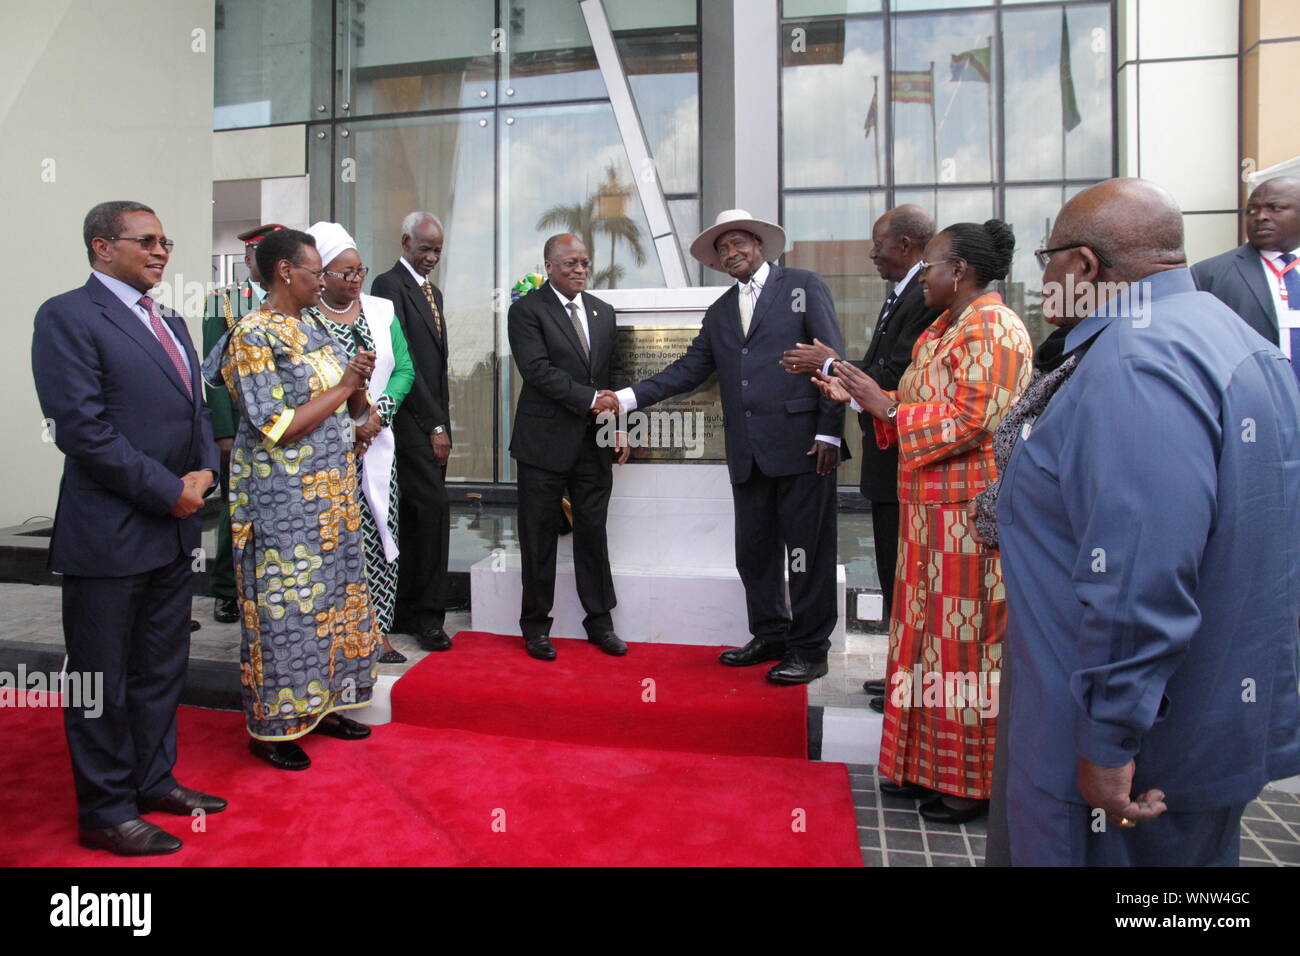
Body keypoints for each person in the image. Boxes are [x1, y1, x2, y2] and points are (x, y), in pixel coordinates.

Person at [991, 178, 1300, 866]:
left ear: (1084, 266)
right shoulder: (1234, 338)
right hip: (1209, 724)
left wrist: (1108, 743)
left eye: (1047, 260)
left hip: (1120, 753)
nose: (1041, 281)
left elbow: (1139, 581)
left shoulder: (1134, 363)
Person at [813, 219, 1033, 821]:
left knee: (966, 652)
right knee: (918, 647)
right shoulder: (943, 325)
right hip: (925, 516)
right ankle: (918, 765)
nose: (924, 276)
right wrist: (861, 398)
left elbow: (973, 419)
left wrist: (885, 405)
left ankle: (969, 780)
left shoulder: (994, 325)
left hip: (968, 520)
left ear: (958, 270)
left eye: (932, 266)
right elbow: (912, 405)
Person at [32, 200, 226, 856]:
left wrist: (202, 475)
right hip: (111, 533)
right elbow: (80, 428)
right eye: (145, 240)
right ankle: (105, 808)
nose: (161, 251)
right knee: (102, 679)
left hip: (174, 532)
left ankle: (152, 780)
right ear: (100, 247)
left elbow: (198, 410)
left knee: (159, 669)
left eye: (165, 241)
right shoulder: (66, 316)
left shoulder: (170, 320)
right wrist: (164, 490)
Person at [606, 210, 846, 685]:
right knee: (754, 554)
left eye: (738, 243)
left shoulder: (802, 285)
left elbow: (832, 361)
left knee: (807, 553)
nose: (731, 253)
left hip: (804, 449)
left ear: (758, 244)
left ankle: (810, 649)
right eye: (722, 249)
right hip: (748, 454)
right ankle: (771, 634)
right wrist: (626, 399)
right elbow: (686, 371)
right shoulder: (719, 312)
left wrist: (830, 433)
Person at [204, 228, 382, 771]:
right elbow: (278, 426)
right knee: (286, 615)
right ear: (286, 272)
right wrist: (344, 384)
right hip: (283, 504)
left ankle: (323, 706)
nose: (323, 281)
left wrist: (360, 397)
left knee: (331, 604)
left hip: (330, 500)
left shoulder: (313, 328)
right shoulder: (254, 335)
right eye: (315, 272)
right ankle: (275, 729)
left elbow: (348, 410)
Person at [780, 205, 941, 702]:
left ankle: (910, 683)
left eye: (879, 243)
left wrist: (830, 362)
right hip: (885, 463)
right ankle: (901, 674)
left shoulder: (925, 297)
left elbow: (894, 378)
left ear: (908, 245)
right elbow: (877, 370)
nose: (872, 253)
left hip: (906, 460)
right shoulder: (903, 293)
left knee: (908, 579)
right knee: (896, 577)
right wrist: (845, 386)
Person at [508, 233, 630, 661]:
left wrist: (617, 425)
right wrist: (590, 399)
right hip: (543, 444)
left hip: (594, 445)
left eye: (584, 263)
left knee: (593, 534)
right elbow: (537, 370)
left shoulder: (603, 312)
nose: (579, 270)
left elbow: (613, 371)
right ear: (549, 266)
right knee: (538, 537)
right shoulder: (526, 311)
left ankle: (600, 622)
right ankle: (536, 627)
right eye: (570, 264)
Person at [307, 221, 414, 664]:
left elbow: (405, 369)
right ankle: (334, 634)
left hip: (377, 446)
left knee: (376, 533)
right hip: (324, 448)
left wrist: (377, 416)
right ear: (321, 275)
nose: (355, 281)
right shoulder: (303, 317)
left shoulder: (382, 310)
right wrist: (350, 426)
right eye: (344, 273)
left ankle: (377, 632)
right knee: (333, 540)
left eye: (359, 271)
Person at [370, 212, 453, 652]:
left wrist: (443, 421)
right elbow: (407, 366)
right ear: (405, 242)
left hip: (434, 422)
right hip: (408, 423)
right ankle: (428, 618)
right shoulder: (387, 286)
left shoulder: (433, 292)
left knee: (420, 518)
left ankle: (405, 610)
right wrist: (434, 424)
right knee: (432, 515)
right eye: (425, 248)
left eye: (438, 249)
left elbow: (436, 366)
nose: (432, 257)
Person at [202, 223, 284, 624]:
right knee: (233, 509)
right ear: (249, 258)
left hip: (287, 425)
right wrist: (222, 430)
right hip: (239, 424)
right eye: (255, 255)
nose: (259, 261)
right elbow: (211, 374)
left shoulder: (295, 301)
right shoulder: (226, 300)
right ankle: (225, 589)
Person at [1192, 176, 1299, 372]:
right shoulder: (1208, 275)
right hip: (1256, 397)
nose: (1260, 217)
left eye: (1275, 208)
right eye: (1252, 210)